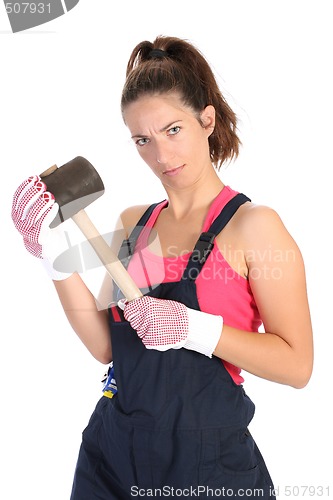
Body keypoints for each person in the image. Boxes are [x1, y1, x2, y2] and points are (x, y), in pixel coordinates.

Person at [11, 35, 313, 499]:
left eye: (173, 130)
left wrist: (195, 329)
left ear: (206, 119)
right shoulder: (135, 224)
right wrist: (54, 259)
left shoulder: (254, 227)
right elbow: (105, 348)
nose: (161, 155)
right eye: (142, 140)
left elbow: (298, 366)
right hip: (111, 454)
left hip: (207, 466)